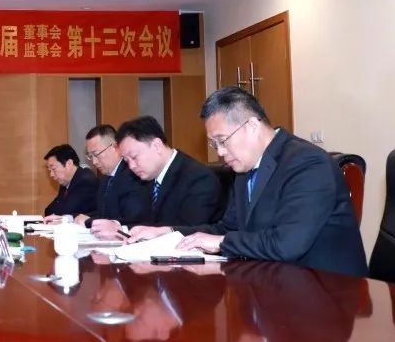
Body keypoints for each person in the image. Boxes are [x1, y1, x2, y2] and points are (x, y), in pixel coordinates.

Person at [129, 87, 368, 277]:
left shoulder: (307, 163)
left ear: (252, 125)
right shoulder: (245, 169)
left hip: (327, 294)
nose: (220, 152)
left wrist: (221, 242)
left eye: (223, 140)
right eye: (214, 144)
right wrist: (169, 233)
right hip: (275, 285)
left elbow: (287, 244)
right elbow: (227, 229)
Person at [91, 115, 220, 238]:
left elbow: (188, 231)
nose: (131, 166)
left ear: (156, 145)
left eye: (134, 157)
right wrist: (119, 227)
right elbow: (143, 222)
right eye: (127, 161)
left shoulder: (198, 178)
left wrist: (123, 229)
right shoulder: (146, 178)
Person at [73, 124, 149, 228]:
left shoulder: (132, 175)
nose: (94, 162)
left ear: (115, 147)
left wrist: (90, 221)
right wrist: (75, 218)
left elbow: (132, 219)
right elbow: (103, 213)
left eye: (96, 154)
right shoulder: (106, 179)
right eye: (90, 156)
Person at [42, 143, 98, 221]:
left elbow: (65, 211)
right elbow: (49, 210)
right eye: (49, 170)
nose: (51, 174)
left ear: (69, 164)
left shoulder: (86, 180)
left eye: (53, 169)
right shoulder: (66, 181)